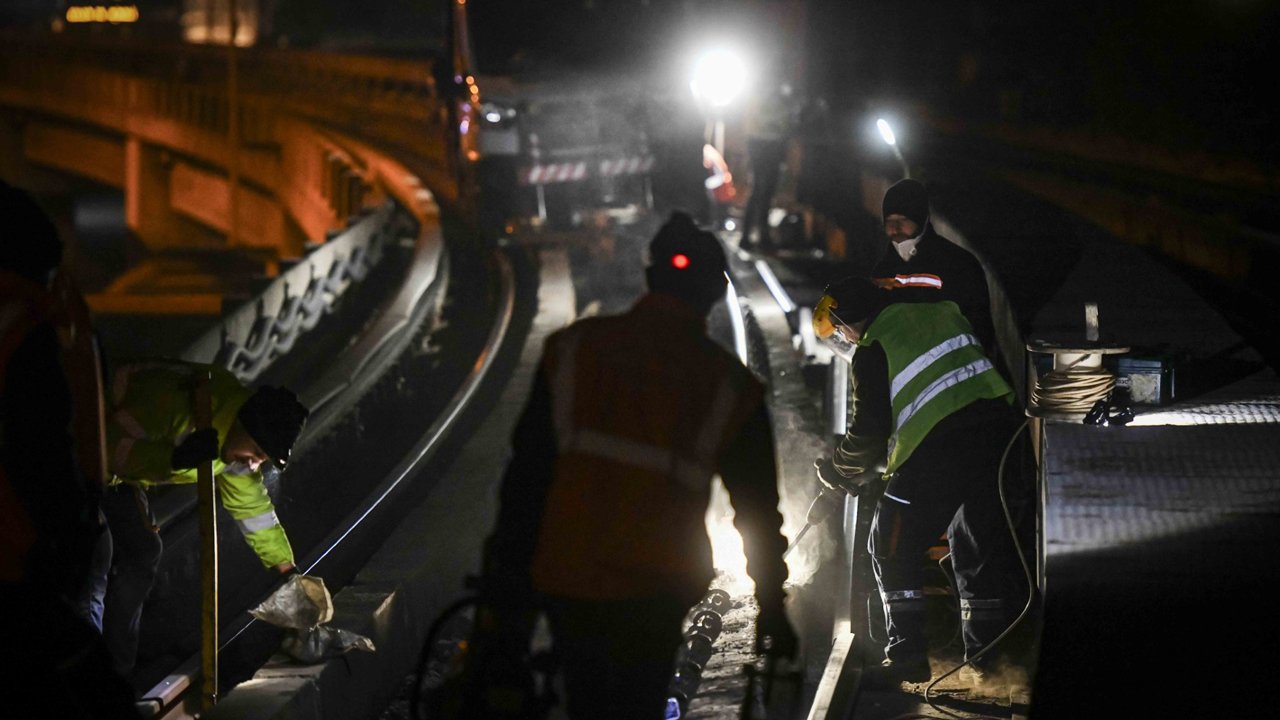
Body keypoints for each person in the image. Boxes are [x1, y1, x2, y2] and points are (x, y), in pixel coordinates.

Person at [481, 212, 797, 719]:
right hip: (656, 587)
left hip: (569, 576)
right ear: (715, 293)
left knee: (583, 700)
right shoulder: (728, 384)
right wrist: (773, 607)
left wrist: (504, 591)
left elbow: (526, 479)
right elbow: (758, 510)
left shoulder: (575, 348)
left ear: (650, 278)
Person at [811, 276, 1026, 686]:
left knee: (890, 544)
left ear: (849, 320)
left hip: (941, 447)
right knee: (975, 546)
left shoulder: (873, 347)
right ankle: (988, 660)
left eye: (841, 329)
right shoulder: (942, 311)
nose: (845, 337)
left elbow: (870, 430)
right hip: (999, 437)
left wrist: (838, 470)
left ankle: (907, 655)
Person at [0, 180, 139, 717]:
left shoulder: (39, 317)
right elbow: (47, 444)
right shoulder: (35, 324)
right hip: (25, 567)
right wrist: (61, 544)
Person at [98, 360, 309, 674]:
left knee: (141, 552)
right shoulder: (181, 407)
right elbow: (108, 448)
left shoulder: (232, 444)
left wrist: (288, 573)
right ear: (243, 424)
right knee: (93, 562)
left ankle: (113, 674)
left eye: (261, 461)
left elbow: (255, 512)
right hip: (78, 449)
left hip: (118, 476)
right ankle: (83, 669)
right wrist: (172, 459)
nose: (253, 466)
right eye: (255, 454)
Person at [871, 178, 998, 357]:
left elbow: (979, 326)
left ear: (922, 218)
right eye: (890, 220)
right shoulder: (882, 270)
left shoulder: (957, 264)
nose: (895, 227)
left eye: (903, 219)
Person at [741, 80, 794, 250]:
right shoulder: (759, 99)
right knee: (759, 191)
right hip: (761, 146)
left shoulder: (781, 100)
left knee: (767, 192)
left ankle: (761, 236)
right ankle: (749, 235)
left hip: (771, 146)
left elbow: (786, 123)